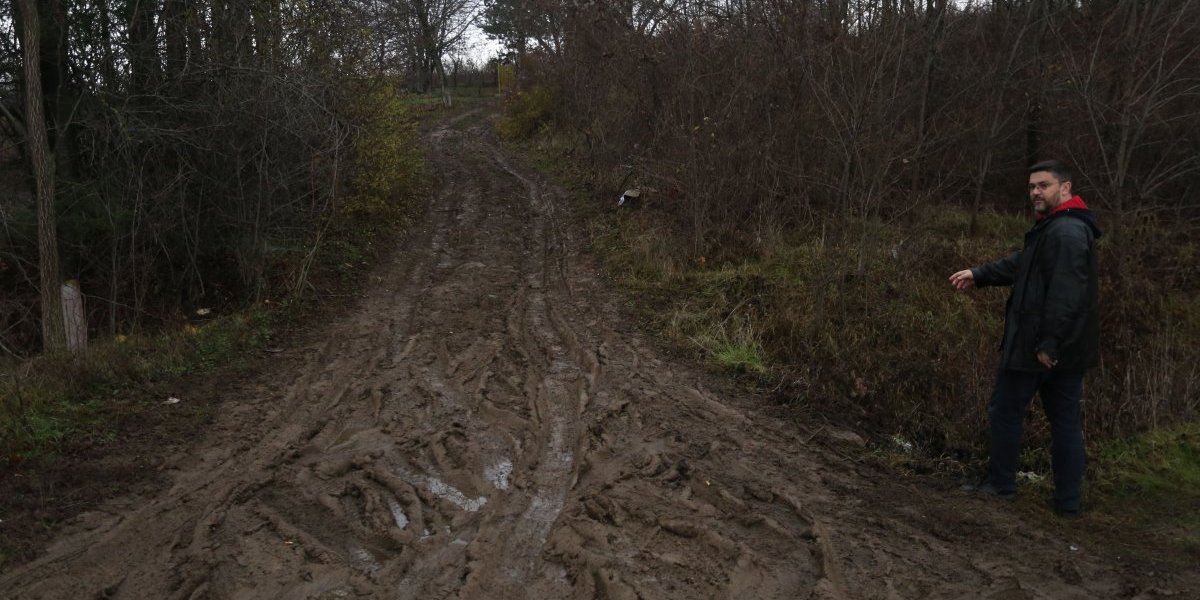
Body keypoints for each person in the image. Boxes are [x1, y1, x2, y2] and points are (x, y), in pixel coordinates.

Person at [949, 160, 1102, 516]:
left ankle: (1001, 485)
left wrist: (1048, 345)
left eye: (1043, 185)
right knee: (1063, 419)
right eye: (1032, 186)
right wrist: (980, 273)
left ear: (1065, 189)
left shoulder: (1065, 232)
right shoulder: (1058, 227)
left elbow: (1067, 295)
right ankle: (1067, 503)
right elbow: (1024, 264)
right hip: (1060, 347)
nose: (1035, 192)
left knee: (1006, 411)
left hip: (1039, 348)